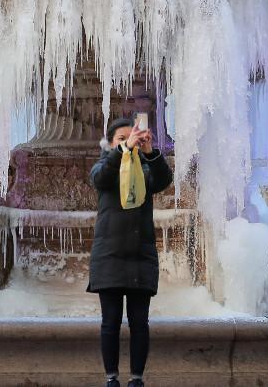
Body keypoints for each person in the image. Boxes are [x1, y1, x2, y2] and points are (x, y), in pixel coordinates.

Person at [88, 116, 173, 387]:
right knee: (110, 322)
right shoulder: (106, 165)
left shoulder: (145, 170)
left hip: (140, 255)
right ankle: (111, 378)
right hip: (109, 255)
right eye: (121, 139)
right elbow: (99, 179)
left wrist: (149, 152)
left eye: (133, 136)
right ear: (111, 144)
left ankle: (137, 379)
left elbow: (163, 180)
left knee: (140, 323)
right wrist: (122, 151)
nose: (129, 141)